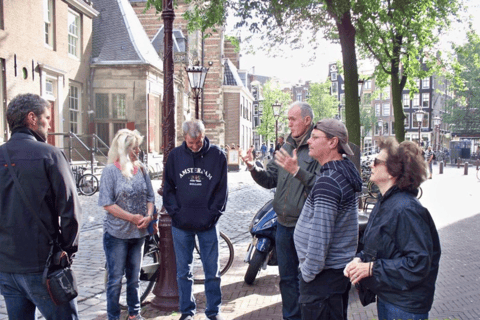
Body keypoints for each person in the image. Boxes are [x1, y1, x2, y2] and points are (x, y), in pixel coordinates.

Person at [0, 93, 81, 319]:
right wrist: (67, 251)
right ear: (32, 118)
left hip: (7, 266)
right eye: (47, 117)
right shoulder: (50, 154)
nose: (50, 123)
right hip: (43, 265)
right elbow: (71, 210)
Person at [344, 137, 441, 320]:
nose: (371, 165)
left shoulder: (406, 210)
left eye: (376, 161)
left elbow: (418, 263)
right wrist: (359, 260)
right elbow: (379, 246)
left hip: (404, 306)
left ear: (392, 172)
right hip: (391, 297)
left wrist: (372, 269)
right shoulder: (385, 203)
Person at [241, 102, 321, 320]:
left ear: (307, 120)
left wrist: (297, 171)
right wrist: (252, 167)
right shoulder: (285, 147)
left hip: (306, 225)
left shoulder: (317, 147)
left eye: (293, 119)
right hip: (283, 225)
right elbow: (270, 180)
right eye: (287, 119)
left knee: (307, 278)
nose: (289, 123)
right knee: (286, 278)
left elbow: (322, 186)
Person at [293, 118, 362, 320]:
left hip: (321, 279)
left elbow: (320, 238)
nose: (309, 142)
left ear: (332, 143)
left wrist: (308, 273)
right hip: (334, 276)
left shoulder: (329, 182)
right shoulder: (343, 172)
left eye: (315, 137)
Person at [163, 120, 228, 320]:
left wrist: (212, 215)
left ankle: (213, 311)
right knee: (183, 272)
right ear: (184, 138)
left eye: (198, 142)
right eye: (191, 143)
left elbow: (222, 191)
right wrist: (176, 213)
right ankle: (187, 311)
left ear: (203, 135)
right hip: (181, 226)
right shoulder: (174, 157)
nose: (194, 147)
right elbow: (168, 188)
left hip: (208, 225)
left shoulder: (217, 156)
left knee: (212, 271)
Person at [98, 129, 156, 320]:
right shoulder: (110, 171)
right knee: (115, 280)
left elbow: (150, 196)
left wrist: (148, 216)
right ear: (124, 149)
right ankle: (113, 316)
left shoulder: (142, 169)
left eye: (138, 146)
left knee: (134, 279)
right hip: (116, 235)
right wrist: (131, 217)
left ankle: (134, 313)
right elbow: (107, 203)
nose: (138, 151)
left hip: (138, 234)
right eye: (134, 147)